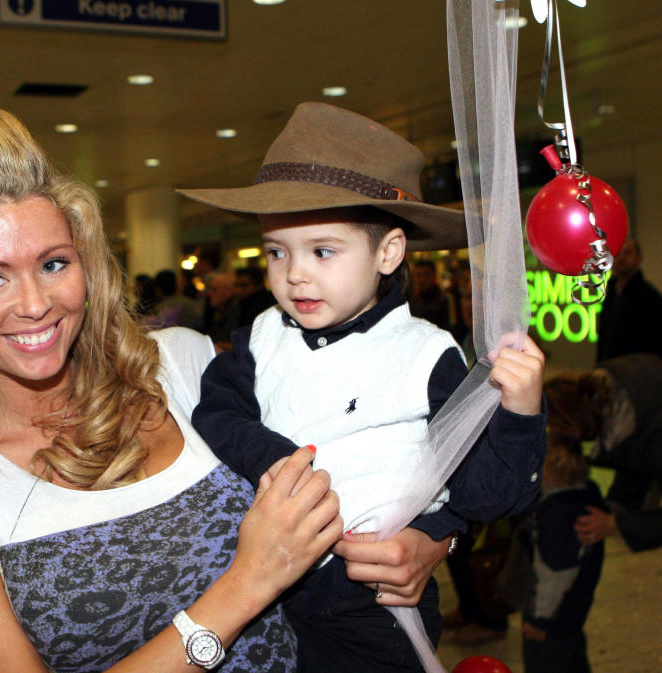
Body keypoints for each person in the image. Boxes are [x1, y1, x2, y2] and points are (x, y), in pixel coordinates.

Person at [0, 107, 446, 673]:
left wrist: (429, 542)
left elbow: (369, 430)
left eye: (53, 264)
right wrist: (246, 586)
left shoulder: (183, 366)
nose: (35, 304)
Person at [179, 102, 547, 673]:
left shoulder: (427, 355)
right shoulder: (262, 335)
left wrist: (520, 414)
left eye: (322, 251)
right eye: (277, 252)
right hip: (263, 586)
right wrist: (276, 459)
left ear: (388, 252)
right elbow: (217, 412)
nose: (295, 273)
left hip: (369, 603)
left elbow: (485, 495)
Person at [501, 437, 606, 673]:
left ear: (552, 470)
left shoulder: (556, 517)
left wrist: (540, 619)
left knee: (546, 663)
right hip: (573, 611)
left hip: (551, 618)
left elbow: (555, 574)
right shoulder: (585, 497)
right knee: (573, 659)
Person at [545, 354, 662, 552]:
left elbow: (646, 448)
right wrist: (616, 507)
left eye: (559, 429)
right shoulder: (622, 384)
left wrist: (615, 523)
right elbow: (635, 456)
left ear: (573, 423)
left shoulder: (654, 434)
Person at [596, 238, 662, 362]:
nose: (621, 257)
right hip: (609, 369)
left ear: (639, 258)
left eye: (627, 252)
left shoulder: (650, 297)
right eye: (617, 253)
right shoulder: (611, 293)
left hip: (637, 372)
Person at [408, 260, 452, 330]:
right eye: (418, 275)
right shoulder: (412, 301)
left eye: (426, 275)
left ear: (434, 276)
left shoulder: (443, 300)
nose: (422, 279)